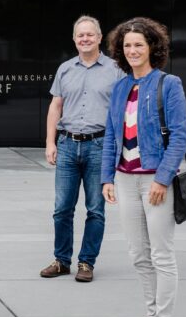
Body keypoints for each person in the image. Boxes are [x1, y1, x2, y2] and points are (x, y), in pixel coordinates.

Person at [101, 17, 186, 317]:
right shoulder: (121, 86)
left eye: (139, 44)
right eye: (127, 45)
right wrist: (107, 177)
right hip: (125, 178)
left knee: (161, 255)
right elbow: (112, 133)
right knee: (139, 254)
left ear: (153, 46)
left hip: (155, 180)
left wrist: (163, 179)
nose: (133, 50)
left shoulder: (169, 83)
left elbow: (179, 135)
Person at [40, 15, 124, 283]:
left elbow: (123, 110)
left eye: (90, 34)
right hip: (67, 144)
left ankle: (86, 262)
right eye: (80, 35)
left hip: (100, 146)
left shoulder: (115, 70)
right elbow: (56, 106)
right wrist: (50, 142)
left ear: (100, 38)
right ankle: (62, 260)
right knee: (62, 208)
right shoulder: (65, 69)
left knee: (95, 208)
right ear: (74, 39)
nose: (85, 39)